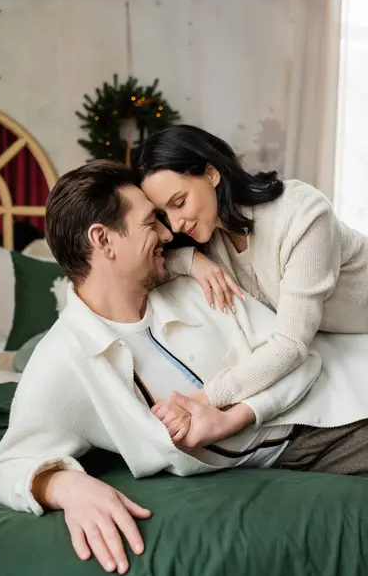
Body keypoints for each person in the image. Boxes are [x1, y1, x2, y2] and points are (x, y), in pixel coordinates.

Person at [0, 161, 368, 576]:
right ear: (104, 239)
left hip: (324, 415)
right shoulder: (64, 358)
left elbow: (301, 361)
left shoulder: (199, 289)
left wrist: (232, 417)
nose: (169, 234)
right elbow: (10, 464)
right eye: (152, 222)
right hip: (288, 453)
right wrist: (64, 485)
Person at [134, 124, 368, 408]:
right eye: (163, 213)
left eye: (180, 202)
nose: (175, 224)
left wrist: (206, 399)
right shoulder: (209, 239)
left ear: (211, 173)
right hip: (344, 344)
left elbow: (290, 345)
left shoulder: (304, 214)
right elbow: (143, 269)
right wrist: (191, 261)